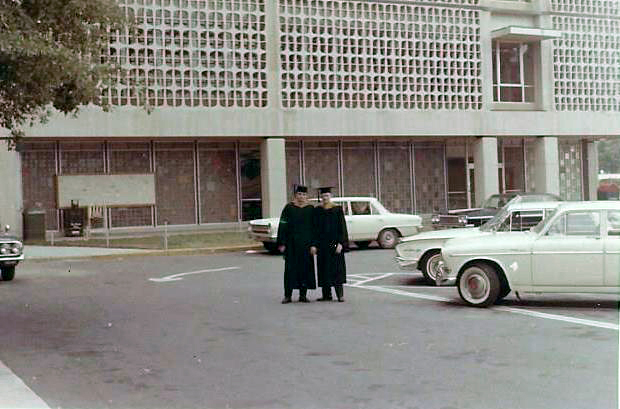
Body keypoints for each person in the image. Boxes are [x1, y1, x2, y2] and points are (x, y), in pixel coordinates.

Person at [276, 185, 317, 304]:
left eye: (304, 194)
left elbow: (315, 228)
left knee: (305, 270)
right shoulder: (289, 208)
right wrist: (282, 243)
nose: (301, 196)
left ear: (307, 196)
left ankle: (303, 295)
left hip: (306, 245)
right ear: (295, 195)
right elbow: (282, 224)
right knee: (290, 270)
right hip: (291, 245)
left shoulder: (310, 209)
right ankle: (287, 295)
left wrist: (314, 245)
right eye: (299, 194)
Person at [314, 187, 348, 302]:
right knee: (323, 269)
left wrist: (341, 243)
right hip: (322, 245)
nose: (325, 198)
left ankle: (340, 295)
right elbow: (315, 228)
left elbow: (342, 227)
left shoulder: (337, 209)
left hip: (334, 245)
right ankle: (326, 295)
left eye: (327, 196)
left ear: (331, 196)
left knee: (336, 269)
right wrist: (315, 244)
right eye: (323, 196)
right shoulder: (318, 210)